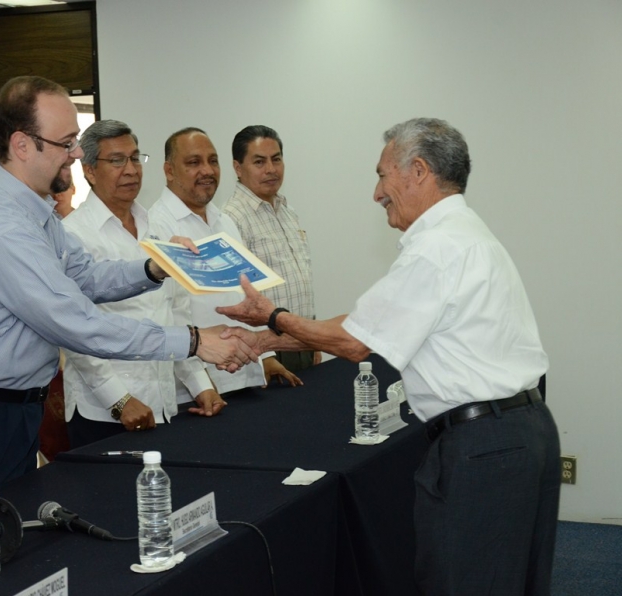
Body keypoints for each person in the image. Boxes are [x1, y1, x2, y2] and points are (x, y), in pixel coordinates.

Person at [219, 118, 560, 595]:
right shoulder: (461, 232)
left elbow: (356, 343)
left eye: (382, 175)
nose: (376, 193)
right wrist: (267, 340)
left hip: (485, 448)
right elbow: (364, 325)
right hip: (521, 433)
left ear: (417, 171)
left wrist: (273, 318)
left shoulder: (435, 248)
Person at [0, 77, 256, 509]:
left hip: (13, 409)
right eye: (66, 143)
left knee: (11, 537)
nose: (78, 154)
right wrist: (192, 342)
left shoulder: (33, 211)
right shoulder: (3, 228)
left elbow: (87, 276)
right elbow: (77, 323)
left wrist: (155, 266)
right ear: (22, 145)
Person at [61, 120, 225, 447]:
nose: (132, 170)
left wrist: (198, 381)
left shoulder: (155, 226)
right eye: (117, 160)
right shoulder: (73, 233)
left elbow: (174, 309)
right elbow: (71, 326)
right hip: (104, 412)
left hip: (162, 401)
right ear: (90, 171)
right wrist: (119, 399)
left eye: (136, 158)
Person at [149, 127, 301, 405]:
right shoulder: (156, 226)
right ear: (169, 171)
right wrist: (200, 385)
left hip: (243, 377)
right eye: (194, 162)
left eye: (213, 161)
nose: (207, 170)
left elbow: (244, 296)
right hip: (196, 393)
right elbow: (170, 317)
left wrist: (265, 358)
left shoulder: (224, 221)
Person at [223, 125, 320, 371]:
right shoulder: (230, 219)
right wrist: (265, 359)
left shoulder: (288, 213)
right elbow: (234, 295)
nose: (271, 169)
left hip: (303, 342)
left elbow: (301, 279)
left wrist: (313, 336)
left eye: (276, 159)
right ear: (237, 167)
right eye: (259, 162)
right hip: (265, 351)